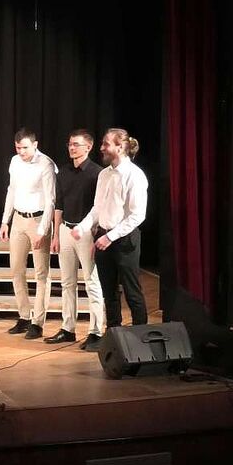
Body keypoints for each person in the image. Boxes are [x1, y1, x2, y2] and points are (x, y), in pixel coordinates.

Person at [72, 128, 149, 330]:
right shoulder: (104, 174)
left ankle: (140, 336)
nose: (102, 148)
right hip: (103, 237)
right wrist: (82, 227)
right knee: (109, 292)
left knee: (132, 292)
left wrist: (111, 237)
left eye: (106, 144)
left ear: (120, 147)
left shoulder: (134, 175)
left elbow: (137, 215)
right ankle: (114, 333)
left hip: (124, 240)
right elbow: (97, 208)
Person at [49, 130, 105, 350]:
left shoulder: (97, 173)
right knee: (67, 282)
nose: (72, 148)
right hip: (65, 230)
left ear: (88, 147)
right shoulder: (63, 172)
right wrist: (56, 234)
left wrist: (93, 232)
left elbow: (99, 208)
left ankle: (96, 331)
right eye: (70, 144)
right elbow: (59, 205)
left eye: (76, 144)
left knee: (92, 281)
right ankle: (68, 328)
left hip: (87, 232)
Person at [0, 128, 56, 340]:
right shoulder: (15, 161)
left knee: (41, 273)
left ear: (35, 145)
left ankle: (37, 322)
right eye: (18, 148)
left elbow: (51, 200)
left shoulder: (45, 164)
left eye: (25, 147)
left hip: (38, 219)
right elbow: (11, 191)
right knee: (16, 269)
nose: (21, 151)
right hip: (18, 219)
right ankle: (24, 315)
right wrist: (5, 220)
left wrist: (42, 230)